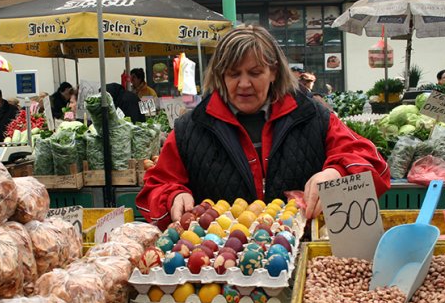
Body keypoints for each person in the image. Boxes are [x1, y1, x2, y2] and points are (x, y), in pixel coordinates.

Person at [136, 25, 390, 229]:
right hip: (219, 273)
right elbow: (154, 189)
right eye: (233, 74)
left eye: (255, 72)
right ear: (221, 75)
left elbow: (374, 166)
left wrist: (337, 173)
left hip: (301, 263)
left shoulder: (311, 116)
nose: (244, 84)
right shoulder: (191, 129)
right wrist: (173, 196)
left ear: (274, 72)